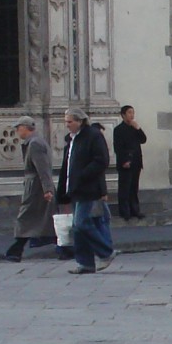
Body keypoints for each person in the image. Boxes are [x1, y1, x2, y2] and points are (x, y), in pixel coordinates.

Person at [57, 109, 114, 275]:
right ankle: (85, 263)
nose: (67, 125)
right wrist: (63, 190)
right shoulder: (72, 140)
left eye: (70, 122)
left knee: (82, 223)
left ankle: (106, 252)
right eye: (66, 121)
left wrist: (82, 175)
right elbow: (66, 166)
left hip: (88, 188)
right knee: (77, 227)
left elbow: (101, 160)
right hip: (74, 188)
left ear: (80, 121)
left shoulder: (93, 136)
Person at [0, 117, 54, 262]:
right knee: (38, 218)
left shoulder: (35, 143)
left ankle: (15, 251)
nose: (17, 131)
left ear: (25, 127)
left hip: (36, 187)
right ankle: (16, 250)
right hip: (36, 185)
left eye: (18, 128)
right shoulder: (34, 142)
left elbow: (43, 168)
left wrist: (47, 188)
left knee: (25, 218)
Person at [112, 105, 146, 221]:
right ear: (123, 115)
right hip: (125, 162)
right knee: (125, 188)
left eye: (133, 112)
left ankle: (135, 210)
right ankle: (124, 211)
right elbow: (118, 148)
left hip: (136, 161)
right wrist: (124, 161)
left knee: (134, 187)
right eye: (129, 113)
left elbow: (143, 140)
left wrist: (138, 128)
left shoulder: (134, 128)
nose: (132, 115)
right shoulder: (119, 130)